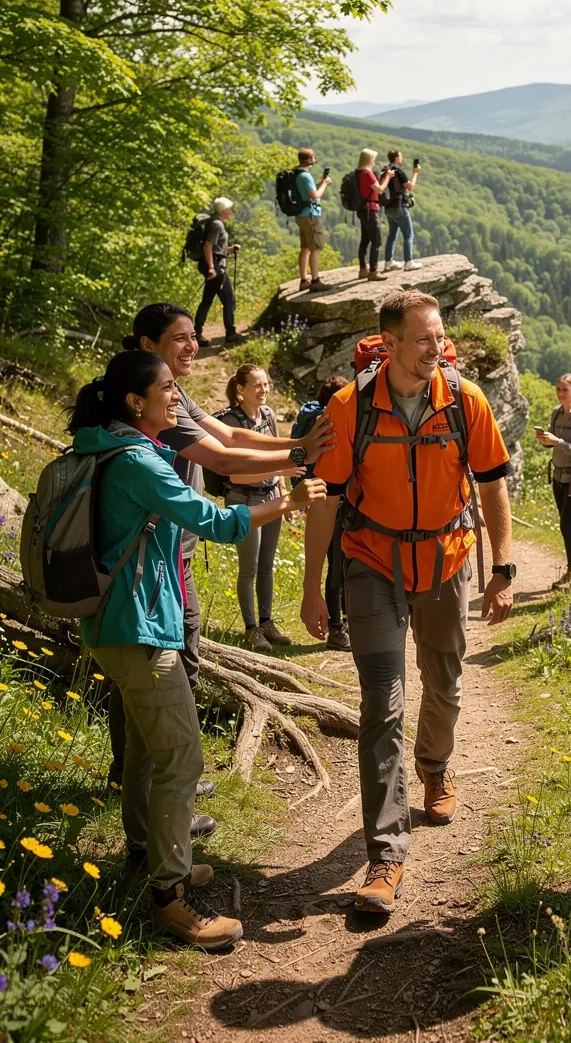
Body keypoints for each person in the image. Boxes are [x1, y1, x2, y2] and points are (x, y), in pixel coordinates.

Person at [69, 350, 326, 947]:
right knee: (182, 759)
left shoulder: (112, 444)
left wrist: (287, 467)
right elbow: (214, 520)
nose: (178, 399)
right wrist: (287, 500)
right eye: (168, 391)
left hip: (122, 623)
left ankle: (147, 858)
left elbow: (225, 453)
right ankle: (171, 896)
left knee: (141, 751)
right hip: (136, 629)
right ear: (137, 402)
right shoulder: (136, 460)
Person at [301, 288, 515, 914]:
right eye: (423, 339)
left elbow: (494, 479)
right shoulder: (350, 408)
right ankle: (385, 856)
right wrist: (315, 584)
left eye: (439, 336)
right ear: (390, 344)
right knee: (382, 706)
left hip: (447, 560)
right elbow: (328, 497)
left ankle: (436, 765)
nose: (436, 348)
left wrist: (502, 565)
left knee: (444, 681)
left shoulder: (463, 400)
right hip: (372, 563)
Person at [107, 303, 335, 814]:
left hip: (172, 557)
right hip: (152, 564)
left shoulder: (169, 392)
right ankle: (153, 788)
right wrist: (300, 456)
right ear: (147, 346)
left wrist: (298, 443)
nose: (193, 346)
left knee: (169, 669)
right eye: (180, 338)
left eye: (195, 336)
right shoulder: (148, 406)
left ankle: (159, 784)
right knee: (160, 675)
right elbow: (224, 459)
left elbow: (231, 436)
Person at [221, 364, 292, 649]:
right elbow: (235, 474)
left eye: (266, 384)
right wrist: (271, 474)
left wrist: (283, 490)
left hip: (272, 496)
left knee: (267, 565)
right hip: (245, 500)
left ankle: (266, 623)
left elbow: (276, 452)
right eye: (257, 385)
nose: (264, 390)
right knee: (248, 568)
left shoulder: (269, 415)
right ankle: (251, 630)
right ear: (240, 390)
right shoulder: (231, 421)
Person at [291, 375, 351, 652]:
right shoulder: (328, 424)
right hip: (331, 501)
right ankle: (337, 628)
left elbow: (298, 456)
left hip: (320, 499)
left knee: (337, 564)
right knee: (338, 566)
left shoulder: (311, 419)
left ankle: (342, 625)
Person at [534, 373, 571, 587]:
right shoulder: (556, 413)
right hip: (559, 476)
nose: (560, 393)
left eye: (565, 389)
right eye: (558, 389)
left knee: (567, 526)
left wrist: (557, 441)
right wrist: (545, 440)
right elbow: (553, 443)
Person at [194, 197, 241, 347]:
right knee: (228, 300)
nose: (230, 211)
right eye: (229, 209)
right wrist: (212, 268)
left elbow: (216, 250)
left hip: (214, 266)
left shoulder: (214, 222)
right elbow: (208, 246)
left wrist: (230, 250)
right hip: (216, 269)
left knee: (207, 301)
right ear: (223, 210)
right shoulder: (217, 225)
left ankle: (197, 333)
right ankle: (231, 334)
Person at [293, 148, 331, 292]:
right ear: (309, 159)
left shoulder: (297, 174)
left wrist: (318, 182)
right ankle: (315, 281)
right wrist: (325, 183)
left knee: (305, 247)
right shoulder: (305, 176)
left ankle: (304, 280)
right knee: (315, 247)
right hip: (310, 214)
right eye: (313, 157)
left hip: (300, 215)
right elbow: (315, 196)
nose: (314, 160)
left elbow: (307, 193)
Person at [356, 148, 394, 283]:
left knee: (365, 240)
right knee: (377, 241)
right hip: (370, 210)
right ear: (369, 159)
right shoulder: (367, 173)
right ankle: (373, 271)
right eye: (373, 158)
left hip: (362, 210)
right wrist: (388, 177)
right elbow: (380, 189)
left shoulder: (358, 173)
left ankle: (363, 269)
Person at [382, 150, 422, 272]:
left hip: (388, 207)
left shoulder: (385, 170)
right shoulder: (399, 171)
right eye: (401, 156)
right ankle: (408, 262)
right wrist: (415, 173)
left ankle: (388, 262)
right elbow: (410, 187)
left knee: (392, 235)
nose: (402, 158)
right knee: (408, 234)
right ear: (397, 158)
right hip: (399, 207)